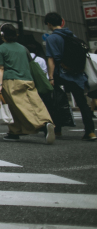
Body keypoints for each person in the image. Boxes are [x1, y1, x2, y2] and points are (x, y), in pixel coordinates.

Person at [0, 24, 54, 143]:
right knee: (35, 103)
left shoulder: (1, 49)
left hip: (11, 80)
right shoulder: (23, 48)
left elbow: (0, 68)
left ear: (2, 34)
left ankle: (40, 126)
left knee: (17, 107)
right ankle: (45, 121)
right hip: (28, 79)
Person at [43, 12, 96, 141]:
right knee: (82, 103)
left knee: (54, 100)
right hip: (77, 74)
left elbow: (51, 59)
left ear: (49, 24)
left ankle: (58, 129)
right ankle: (90, 131)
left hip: (61, 73)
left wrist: (50, 77)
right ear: (61, 22)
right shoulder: (72, 35)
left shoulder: (52, 38)